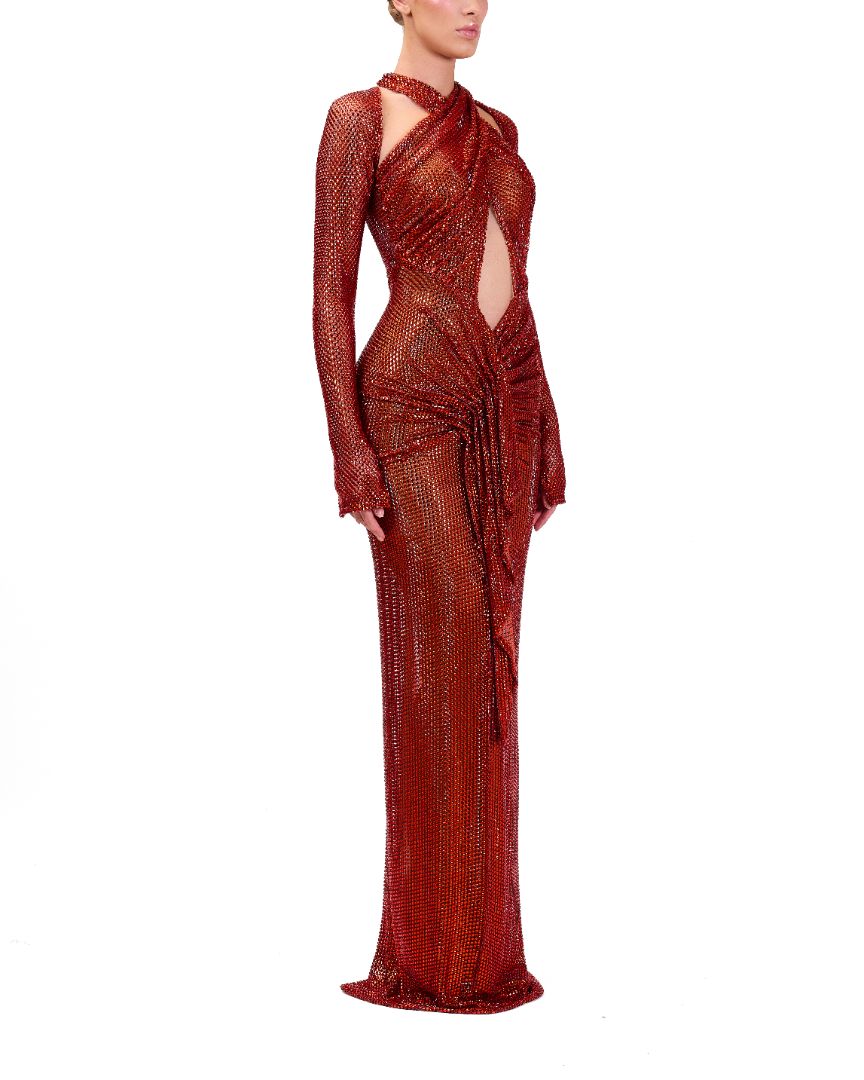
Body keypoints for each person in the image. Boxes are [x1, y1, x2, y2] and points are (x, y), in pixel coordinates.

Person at [311, 0, 566, 1014]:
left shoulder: (498, 127)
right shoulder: (358, 119)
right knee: (445, 654)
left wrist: (549, 423)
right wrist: (350, 450)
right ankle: (430, 954)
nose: (471, 5)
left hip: (507, 402)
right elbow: (330, 296)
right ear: (399, 0)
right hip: (410, 407)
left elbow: (517, 286)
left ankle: (484, 951)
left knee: (494, 666)